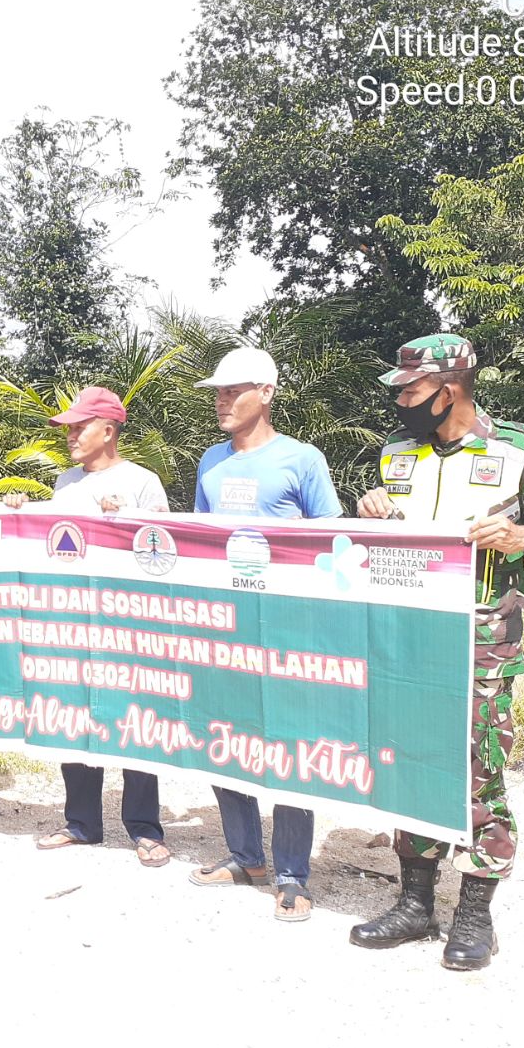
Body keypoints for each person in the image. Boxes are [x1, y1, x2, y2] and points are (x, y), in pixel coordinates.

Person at [350, 334, 524, 970]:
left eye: (411, 390)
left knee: (477, 769)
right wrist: (371, 512)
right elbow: (388, 543)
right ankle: (415, 903)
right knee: (408, 761)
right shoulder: (396, 453)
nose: (401, 403)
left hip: (481, 643)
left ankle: (475, 915)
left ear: (449, 389)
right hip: (407, 641)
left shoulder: (519, 448)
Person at [188, 347, 342, 921]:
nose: (222, 401)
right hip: (224, 625)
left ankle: (292, 873)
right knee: (225, 735)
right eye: (218, 393)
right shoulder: (211, 462)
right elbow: (200, 540)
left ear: (267, 393)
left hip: (287, 626)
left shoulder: (302, 459)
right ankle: (245, 855)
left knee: (290, 744)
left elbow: (330, 542)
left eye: (234, 391)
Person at [5, 386, 173, 866]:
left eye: (81, 427)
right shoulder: (66, 483)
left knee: (134, 718)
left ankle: (144, 827)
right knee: (74, 715)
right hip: (73, 621)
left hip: (128, 623)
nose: (72, 436)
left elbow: (163, 549)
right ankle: (81, 822)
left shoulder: (142, 481)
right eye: (70, 428)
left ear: (109, 430)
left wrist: (128, 520)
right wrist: (20, 514)